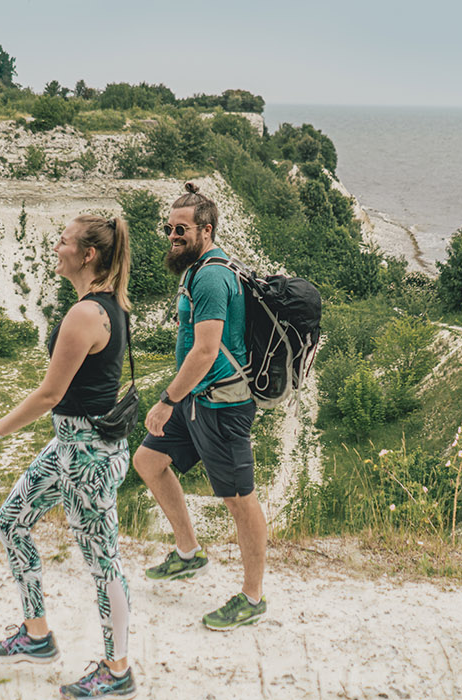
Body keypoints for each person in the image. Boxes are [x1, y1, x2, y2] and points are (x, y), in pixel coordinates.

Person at [0, 215, 137, 699]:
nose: (54, 247)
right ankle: (36, 634)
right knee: (11, 519)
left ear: (87, 255)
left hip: (86, 455)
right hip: (70, 446)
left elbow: (49, 394)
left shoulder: (86, 314)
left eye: (63, 241)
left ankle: (116, 669)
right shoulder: (106, 305)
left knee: (104, 563)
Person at [134, 182, 268, 631]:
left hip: (222, 406)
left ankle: (252, 597)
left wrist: (166, 400)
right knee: (149, 460)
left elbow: (206, 351)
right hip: (196, 398)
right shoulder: (195, 269)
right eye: (168, 227)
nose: (172, 235)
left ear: (206, 231)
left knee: (237, 499)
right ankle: (189, 553)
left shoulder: (211, 275)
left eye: (182, 229)